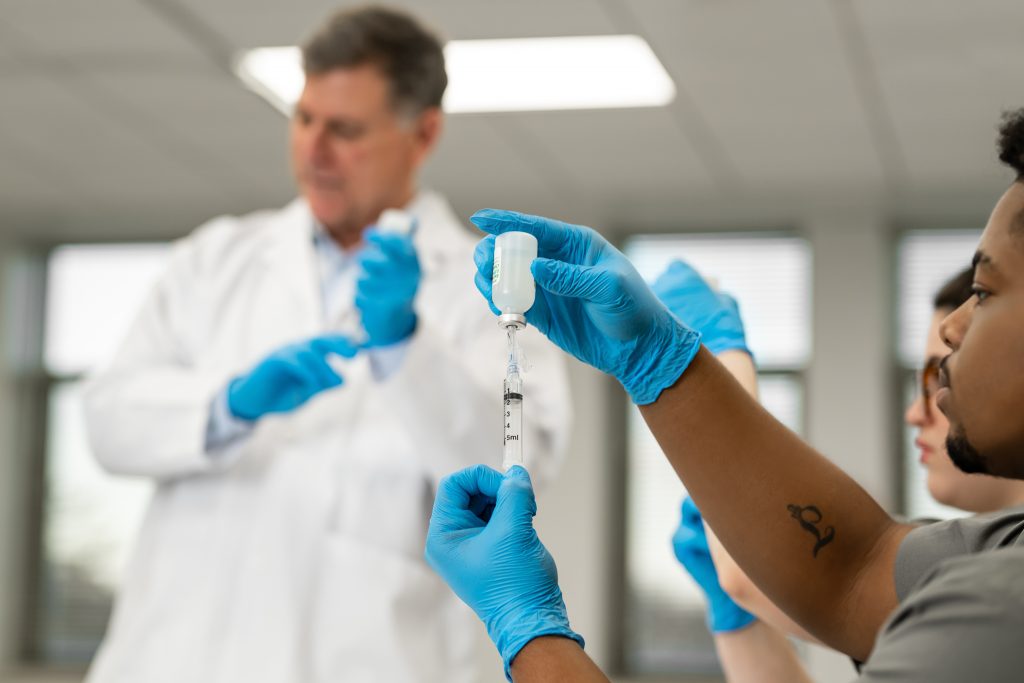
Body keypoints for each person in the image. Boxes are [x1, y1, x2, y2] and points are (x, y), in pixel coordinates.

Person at [425, 107, 1024, 682]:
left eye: (985, 290)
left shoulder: (1000, 613)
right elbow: (855, 567)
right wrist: (664, 362)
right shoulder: (1000, 550)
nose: (955, 328)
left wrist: (528, 632)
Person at [82, 7, 570, 683]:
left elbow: (520, 476)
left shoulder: (486, 289)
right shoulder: (216, 259)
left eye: (345, 129)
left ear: (423, 132)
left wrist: (407, 348)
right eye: (305, 118)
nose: (314, 149)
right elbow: (108, 420)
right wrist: (226, 403)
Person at [670, 266, 1024, 683]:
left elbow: (841, 575)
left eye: (938, 376)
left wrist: (702, 359)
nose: (916, 413)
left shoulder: (1000, 576)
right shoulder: (985, 555)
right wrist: (739, 624)